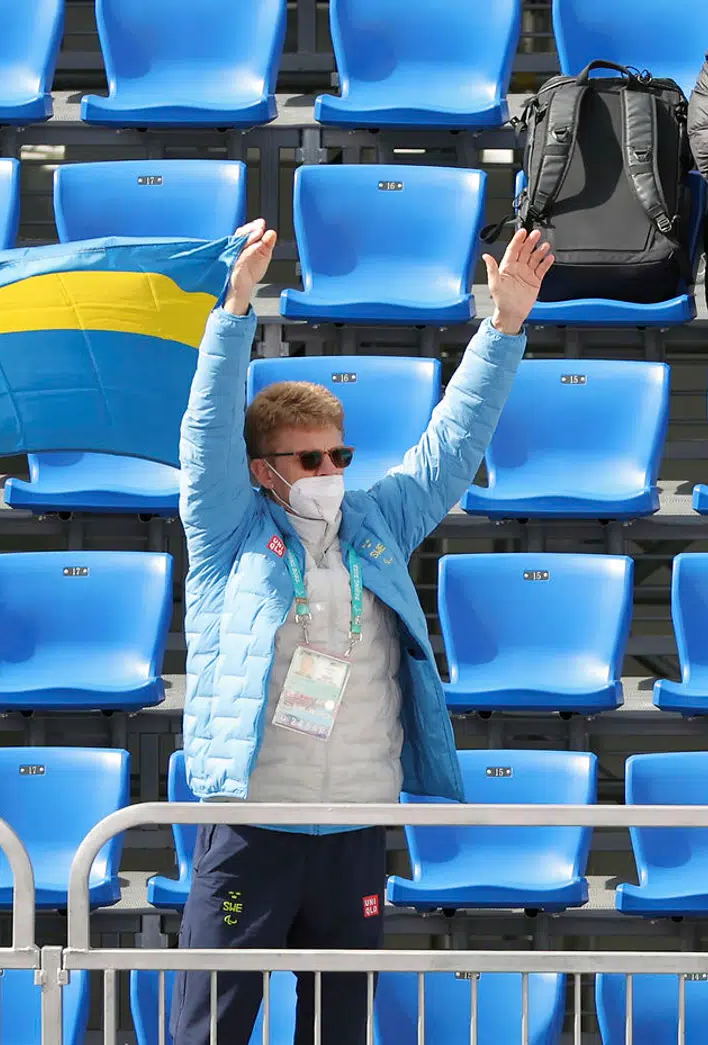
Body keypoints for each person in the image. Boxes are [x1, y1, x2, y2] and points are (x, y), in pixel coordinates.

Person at [173, 220, 555, 1045]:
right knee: (208, 1030)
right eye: (308, 461)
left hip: (352, 828)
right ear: (263, 470)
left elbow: (451, 449)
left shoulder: (377, 523)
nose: (329, 474)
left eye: (338, 456)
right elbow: (206, 436)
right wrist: (235, 309)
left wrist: (504, 327)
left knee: (338, 1031)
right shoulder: (225, 534)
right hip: (251, 826)